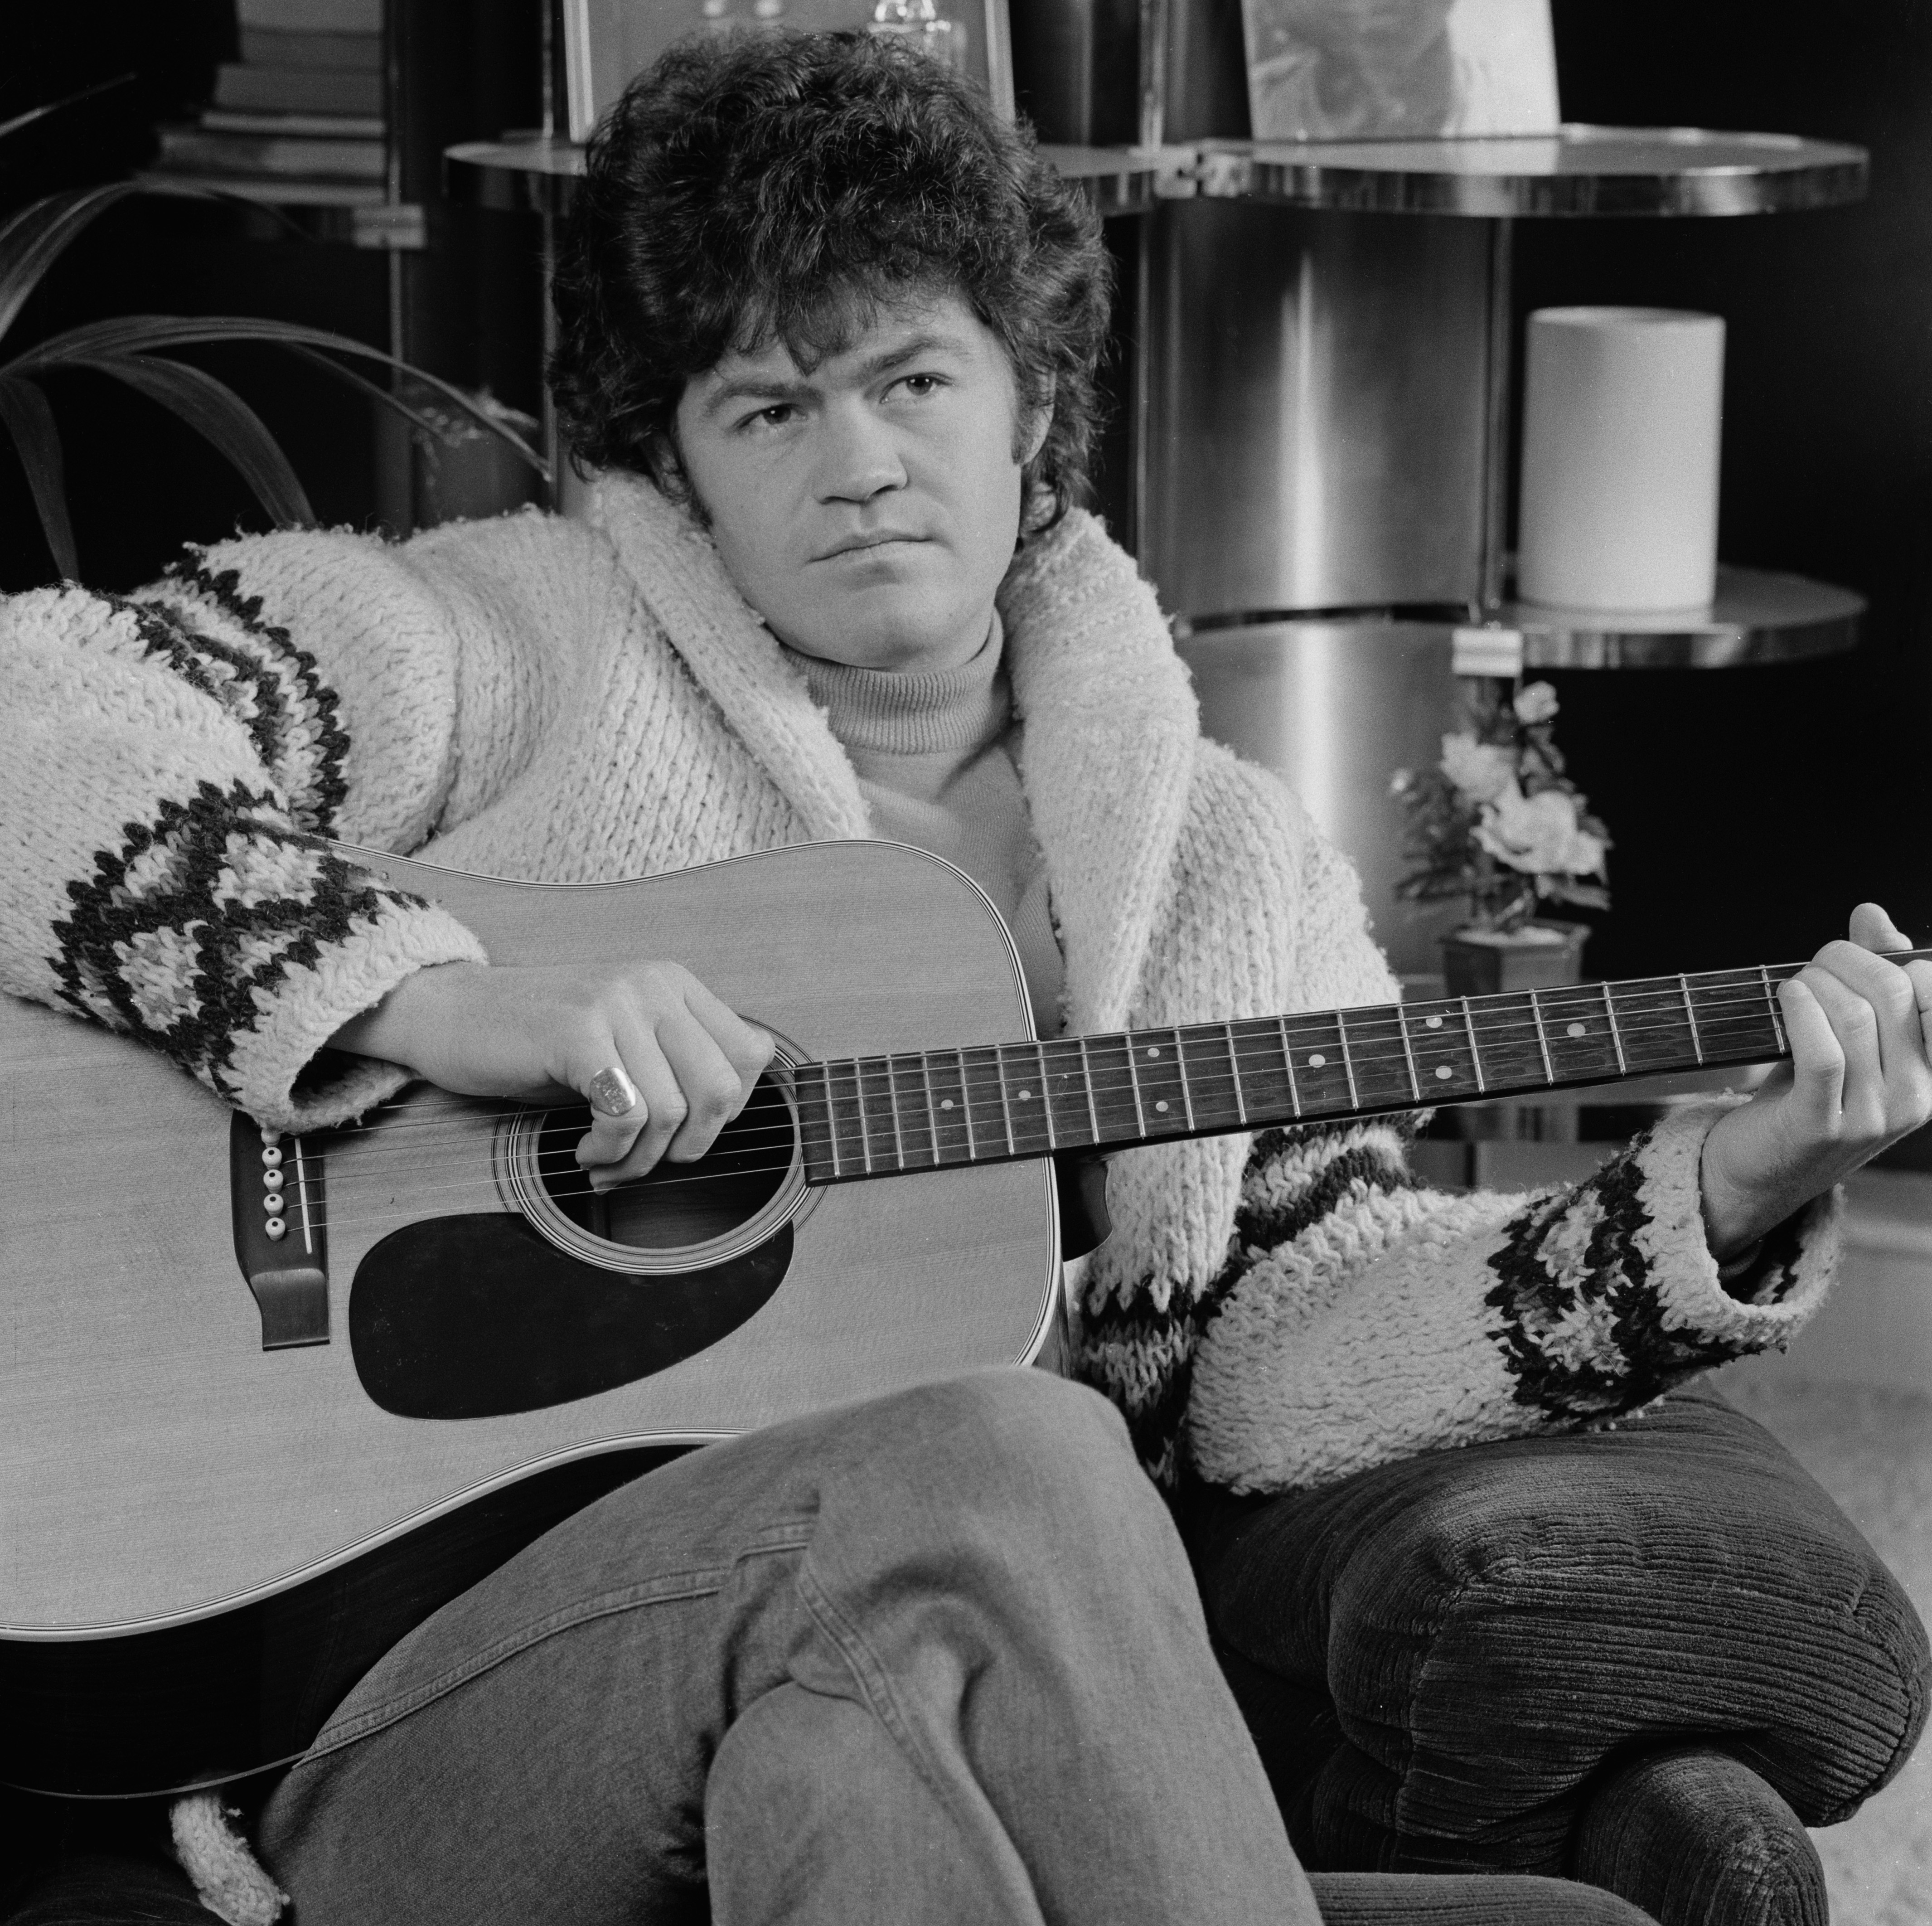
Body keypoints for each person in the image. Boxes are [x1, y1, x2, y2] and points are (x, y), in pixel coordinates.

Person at [2, 29, 1927, 1926]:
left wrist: (1722, 1198)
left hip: (838, 1669)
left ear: (1031, 404)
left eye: (913, 377)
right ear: (667, 456)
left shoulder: (1221, 860)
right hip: (399, 1709)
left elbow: (1282, 1363)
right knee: (1011, 1442)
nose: (856, 465)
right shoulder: (514, 641)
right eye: (766, 406)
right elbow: (35, 701)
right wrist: (414, 999)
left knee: (858, 1771)